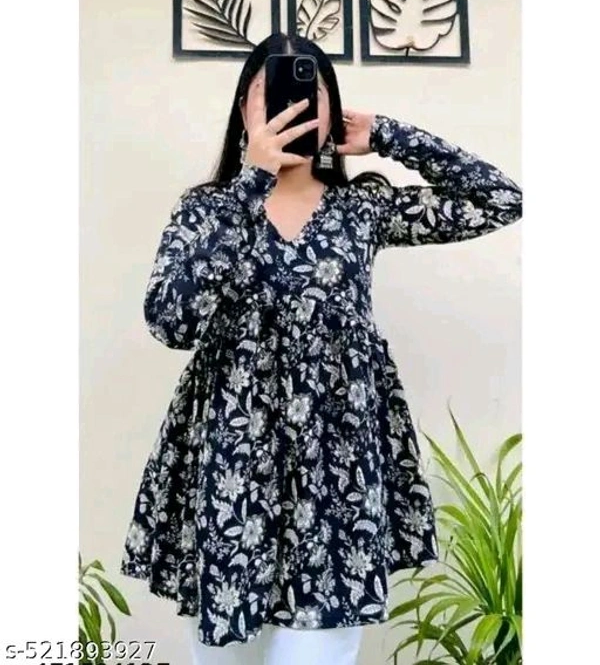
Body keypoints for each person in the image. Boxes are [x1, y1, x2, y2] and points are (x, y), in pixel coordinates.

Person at [119, 32, 522, 663]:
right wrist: (251, 183)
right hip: (231, 470)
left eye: (311, 92)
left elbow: (500, 200)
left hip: (337, 474)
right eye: (270, 92)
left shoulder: (362, 208)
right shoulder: (208, 210)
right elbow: (171, 322)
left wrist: (388, 135)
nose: (292, 105)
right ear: (244, 109)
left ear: (333, 108)